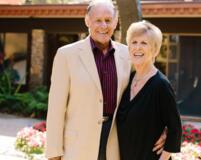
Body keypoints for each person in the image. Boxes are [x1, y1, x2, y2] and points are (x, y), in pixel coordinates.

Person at [45, 1, 165, 160]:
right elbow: (56, 108)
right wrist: (54, 152)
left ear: (115, 22)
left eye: (108, 20)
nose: (103, 25)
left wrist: (166, 127)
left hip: (115, 143)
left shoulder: (127, 54)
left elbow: (148, 87)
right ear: (87, 21)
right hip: (77, 146)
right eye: (98, 20)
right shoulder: (66, 55)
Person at [117, 20, 182, 160]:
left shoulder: (161, 85)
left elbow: (175, 129)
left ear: (155, 50)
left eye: (144, 43)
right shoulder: (127, 80)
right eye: (134, 42)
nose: (137, 48)